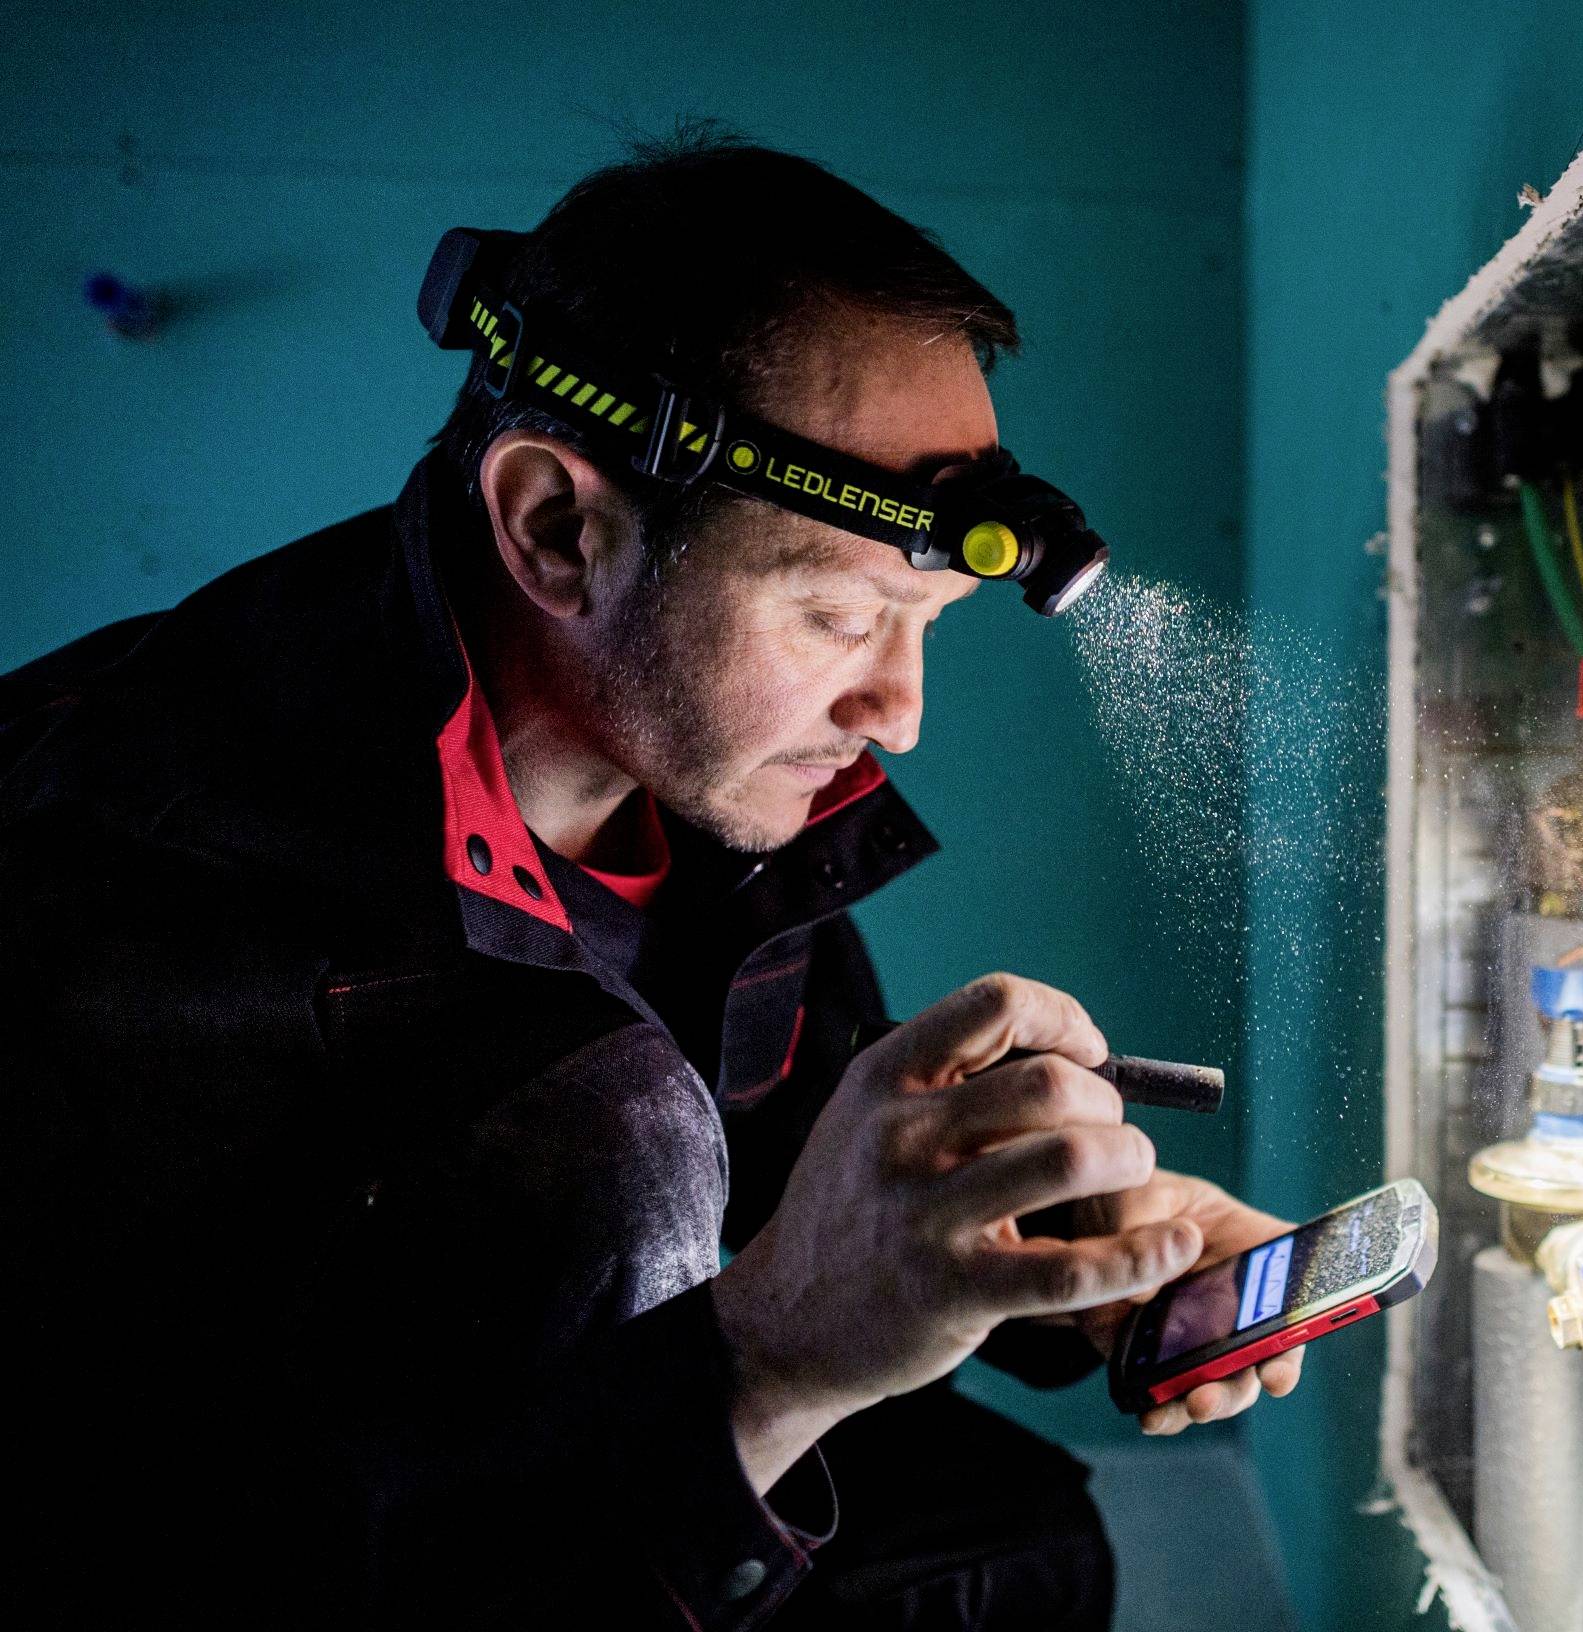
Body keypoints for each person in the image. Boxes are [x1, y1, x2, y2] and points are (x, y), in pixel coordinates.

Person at [0, 133, 1300, 1630]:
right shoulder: (114, 912)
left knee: (1003, 1534)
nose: (897, 710)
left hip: (567, 1487)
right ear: (560, 526)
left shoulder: (698, 770)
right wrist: (770, 1359)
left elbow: (796, 1128)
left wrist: (1082, 1248)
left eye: (923, 624)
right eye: (834, 613)